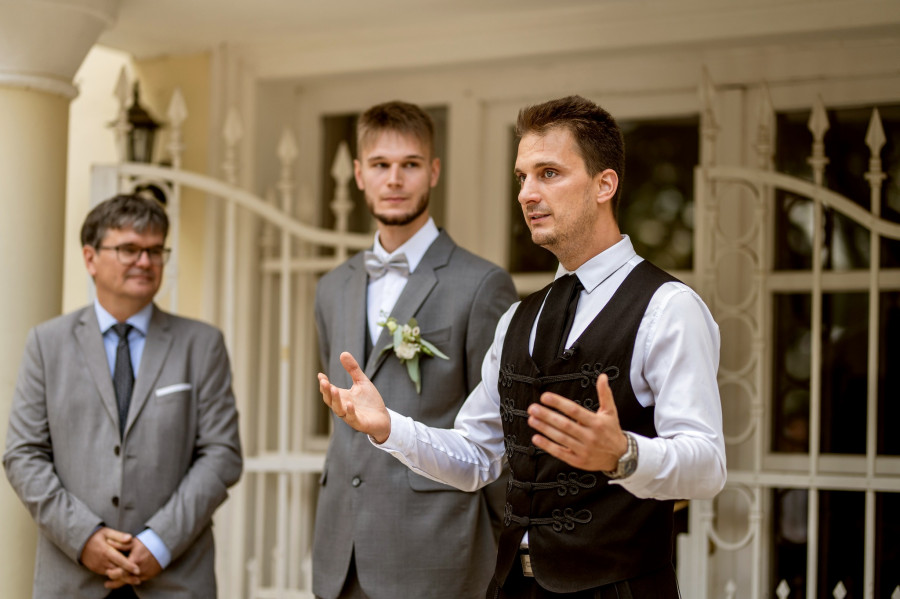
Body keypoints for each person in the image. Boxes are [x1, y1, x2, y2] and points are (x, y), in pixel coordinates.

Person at [318, 95, 726, 598]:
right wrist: (388, 428)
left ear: (605, 184)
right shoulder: (518, 320)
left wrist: (624, 454)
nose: (527, 194)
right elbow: (476, 456)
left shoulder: (669, 308)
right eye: (522, 177)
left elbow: (708, 466)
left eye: (548, 173)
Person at [312, 100, 518, 599]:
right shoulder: (331, 287)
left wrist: (494, 547)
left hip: (439, 556)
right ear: (359, 174)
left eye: (410, 164)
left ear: (434, 172)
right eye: (380, 165)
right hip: (342, 554)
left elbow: (502, 434)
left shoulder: (482, 284)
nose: (394, 179)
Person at [3, 194, 243, 598]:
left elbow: (222, 454)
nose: (145, 262)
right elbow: (23, 454)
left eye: (155, 250)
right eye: (129, 249)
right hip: (72, 579)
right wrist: (84, 537)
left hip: (175, 579)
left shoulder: (202, 345)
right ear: (90, 258)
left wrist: (159, 542)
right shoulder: (47, 344)